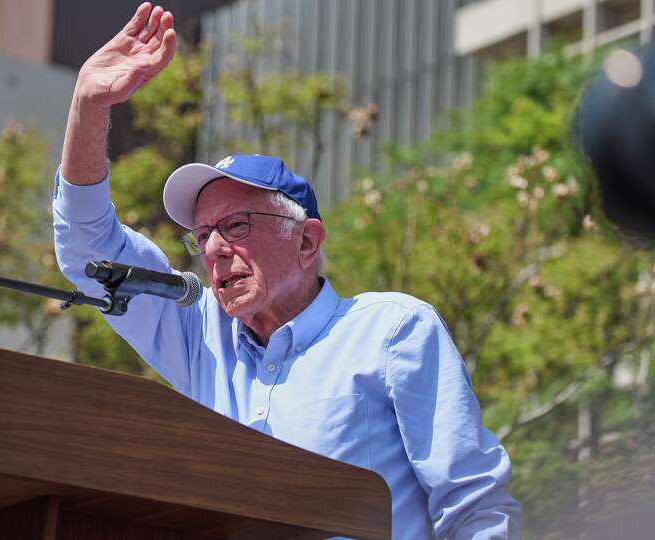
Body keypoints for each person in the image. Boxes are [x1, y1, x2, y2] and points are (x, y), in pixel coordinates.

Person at [52, 3, 521, 539]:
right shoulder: (201, 337)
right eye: (202, 236)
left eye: (236, 226)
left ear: (305, 241)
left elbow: (475, 506)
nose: (213, 251)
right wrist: (89, 105)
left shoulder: (391, 332)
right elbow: (90, 255)